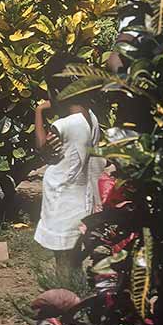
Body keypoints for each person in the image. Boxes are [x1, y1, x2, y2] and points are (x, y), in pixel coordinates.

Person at [33, 57, 105, 278]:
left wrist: (38, 112)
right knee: (73, 252)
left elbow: (43, 149)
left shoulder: (63, 125)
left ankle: (66, 293)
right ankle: (76, 287)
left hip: (62, 197)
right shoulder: (90, 118)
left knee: (62, 258)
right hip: (81, 196)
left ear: (55, 90)